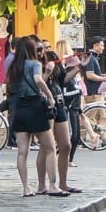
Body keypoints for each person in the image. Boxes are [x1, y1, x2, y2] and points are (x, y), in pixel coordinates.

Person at [7, 37, 66, 197]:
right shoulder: (35, 64)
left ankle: (26, 188)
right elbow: (38, 79)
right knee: (50, 147)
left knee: (22, 151)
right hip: (34, 107)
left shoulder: (13, 66)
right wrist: (49, 96)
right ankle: (53, 185)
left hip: (19, 108)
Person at [42, 50, 80, 193]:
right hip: (46, 105)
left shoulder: (53, 58)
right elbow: (36, 83)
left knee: (65, 145)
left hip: (59, 102)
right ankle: (43, 185)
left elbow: (64, 79)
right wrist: (46, 72)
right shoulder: (36, 63)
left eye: (46, 46)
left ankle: (63, 183)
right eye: (41, 47)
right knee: (46, 148)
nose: (44, 49)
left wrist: (78, 67)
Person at [81, 36, 106, 145]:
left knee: (102, 116)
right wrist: (103, 78)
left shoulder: (94, 58)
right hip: (92, 92)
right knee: (90, 117)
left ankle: (104, 139)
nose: (103, 48)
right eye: (102, 45)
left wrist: (101, 76)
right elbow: (89, 75)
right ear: (95, 45)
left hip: (98, 92)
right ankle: (82, 138)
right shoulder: (90, 58)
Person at [59, 52, 85, 167]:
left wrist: (80, 111)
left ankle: (70, 159)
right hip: (69, 109)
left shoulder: (74, 79)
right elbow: (65, 95)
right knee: (72, 136)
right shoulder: (66, 79)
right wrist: (77, 92)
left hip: (75, 109)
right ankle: (65, 158)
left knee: (77, 136)